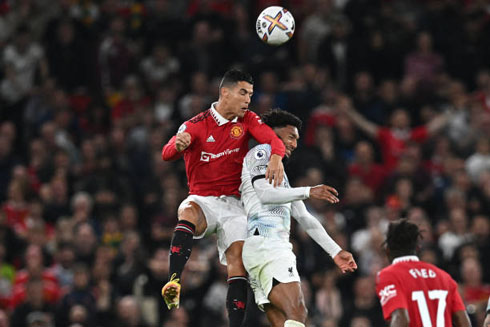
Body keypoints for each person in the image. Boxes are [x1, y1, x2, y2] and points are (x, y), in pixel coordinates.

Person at [160, 69, 286, 327]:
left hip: (233, 205)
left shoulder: (248, 120)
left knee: (238, 260)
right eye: (242, 93)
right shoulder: (196, 125)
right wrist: (178, 145)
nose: (247, 100)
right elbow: (166, 153)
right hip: (202, 199)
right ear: (224, 93)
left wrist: (275, 158)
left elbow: (275, 141)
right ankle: (173, 280)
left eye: (250, 94)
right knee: (189, 213)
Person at [240, 109, 357, 327]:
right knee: (298, 311)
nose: (294, 144)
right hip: (268, 245)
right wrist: (308, 191)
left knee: (284, 320)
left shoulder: (280, 172)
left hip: (265, 247)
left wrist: (335, 251)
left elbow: (304, 217)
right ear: (272, 133)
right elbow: (265, 194)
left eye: (297, 139)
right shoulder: (262, 152)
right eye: (291, 136)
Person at [376, 219, 471, 327]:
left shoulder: (389, 275)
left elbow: (401, 318)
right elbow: (464, 323)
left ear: (387, 251)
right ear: (417, 248)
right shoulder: (444, 277)